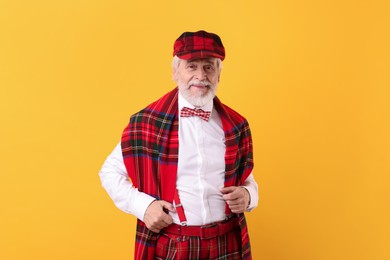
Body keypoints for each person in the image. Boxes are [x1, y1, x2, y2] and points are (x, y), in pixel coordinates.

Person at [99, 30, 259, 260]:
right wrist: (143, 207)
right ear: (176, 72)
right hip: (174, 243)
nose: (200, 76)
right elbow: (110, 172)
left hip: (227, 240)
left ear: (219, 75)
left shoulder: (236, 125)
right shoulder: (148, 122)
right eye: (192, 66)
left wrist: (248, 195)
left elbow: (247, 177)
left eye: (209, 67)